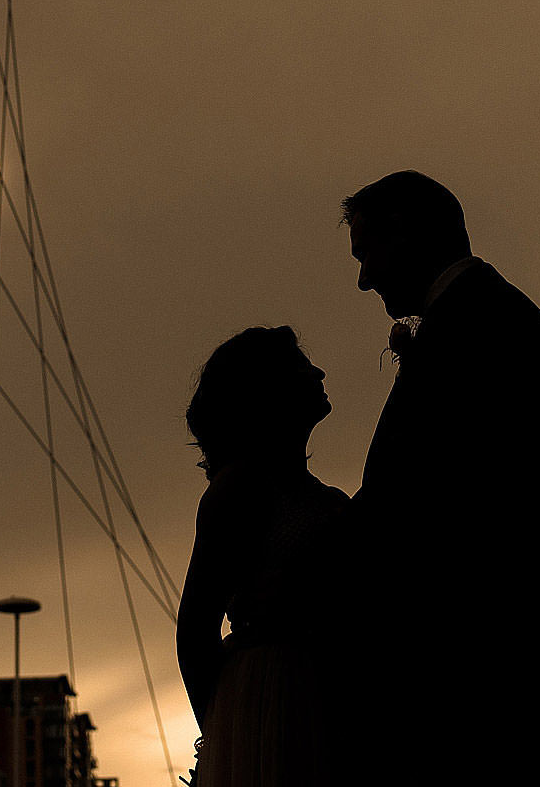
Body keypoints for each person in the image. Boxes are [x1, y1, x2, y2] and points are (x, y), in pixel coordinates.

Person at [343, 170, 540, 783]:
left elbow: (432, 506)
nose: (363, 276)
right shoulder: (488, 319)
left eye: (366, 252)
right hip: (483, 674)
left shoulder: (481, 328)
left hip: (470, 675)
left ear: (403, 234)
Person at [176, 325, 350, 787]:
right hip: (272, 702)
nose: (318, 371)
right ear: (267, 391)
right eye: (300, 365)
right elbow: (195, 630)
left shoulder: (331, 500)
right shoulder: (237, 491)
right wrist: (227, 730)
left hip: (328, 696)